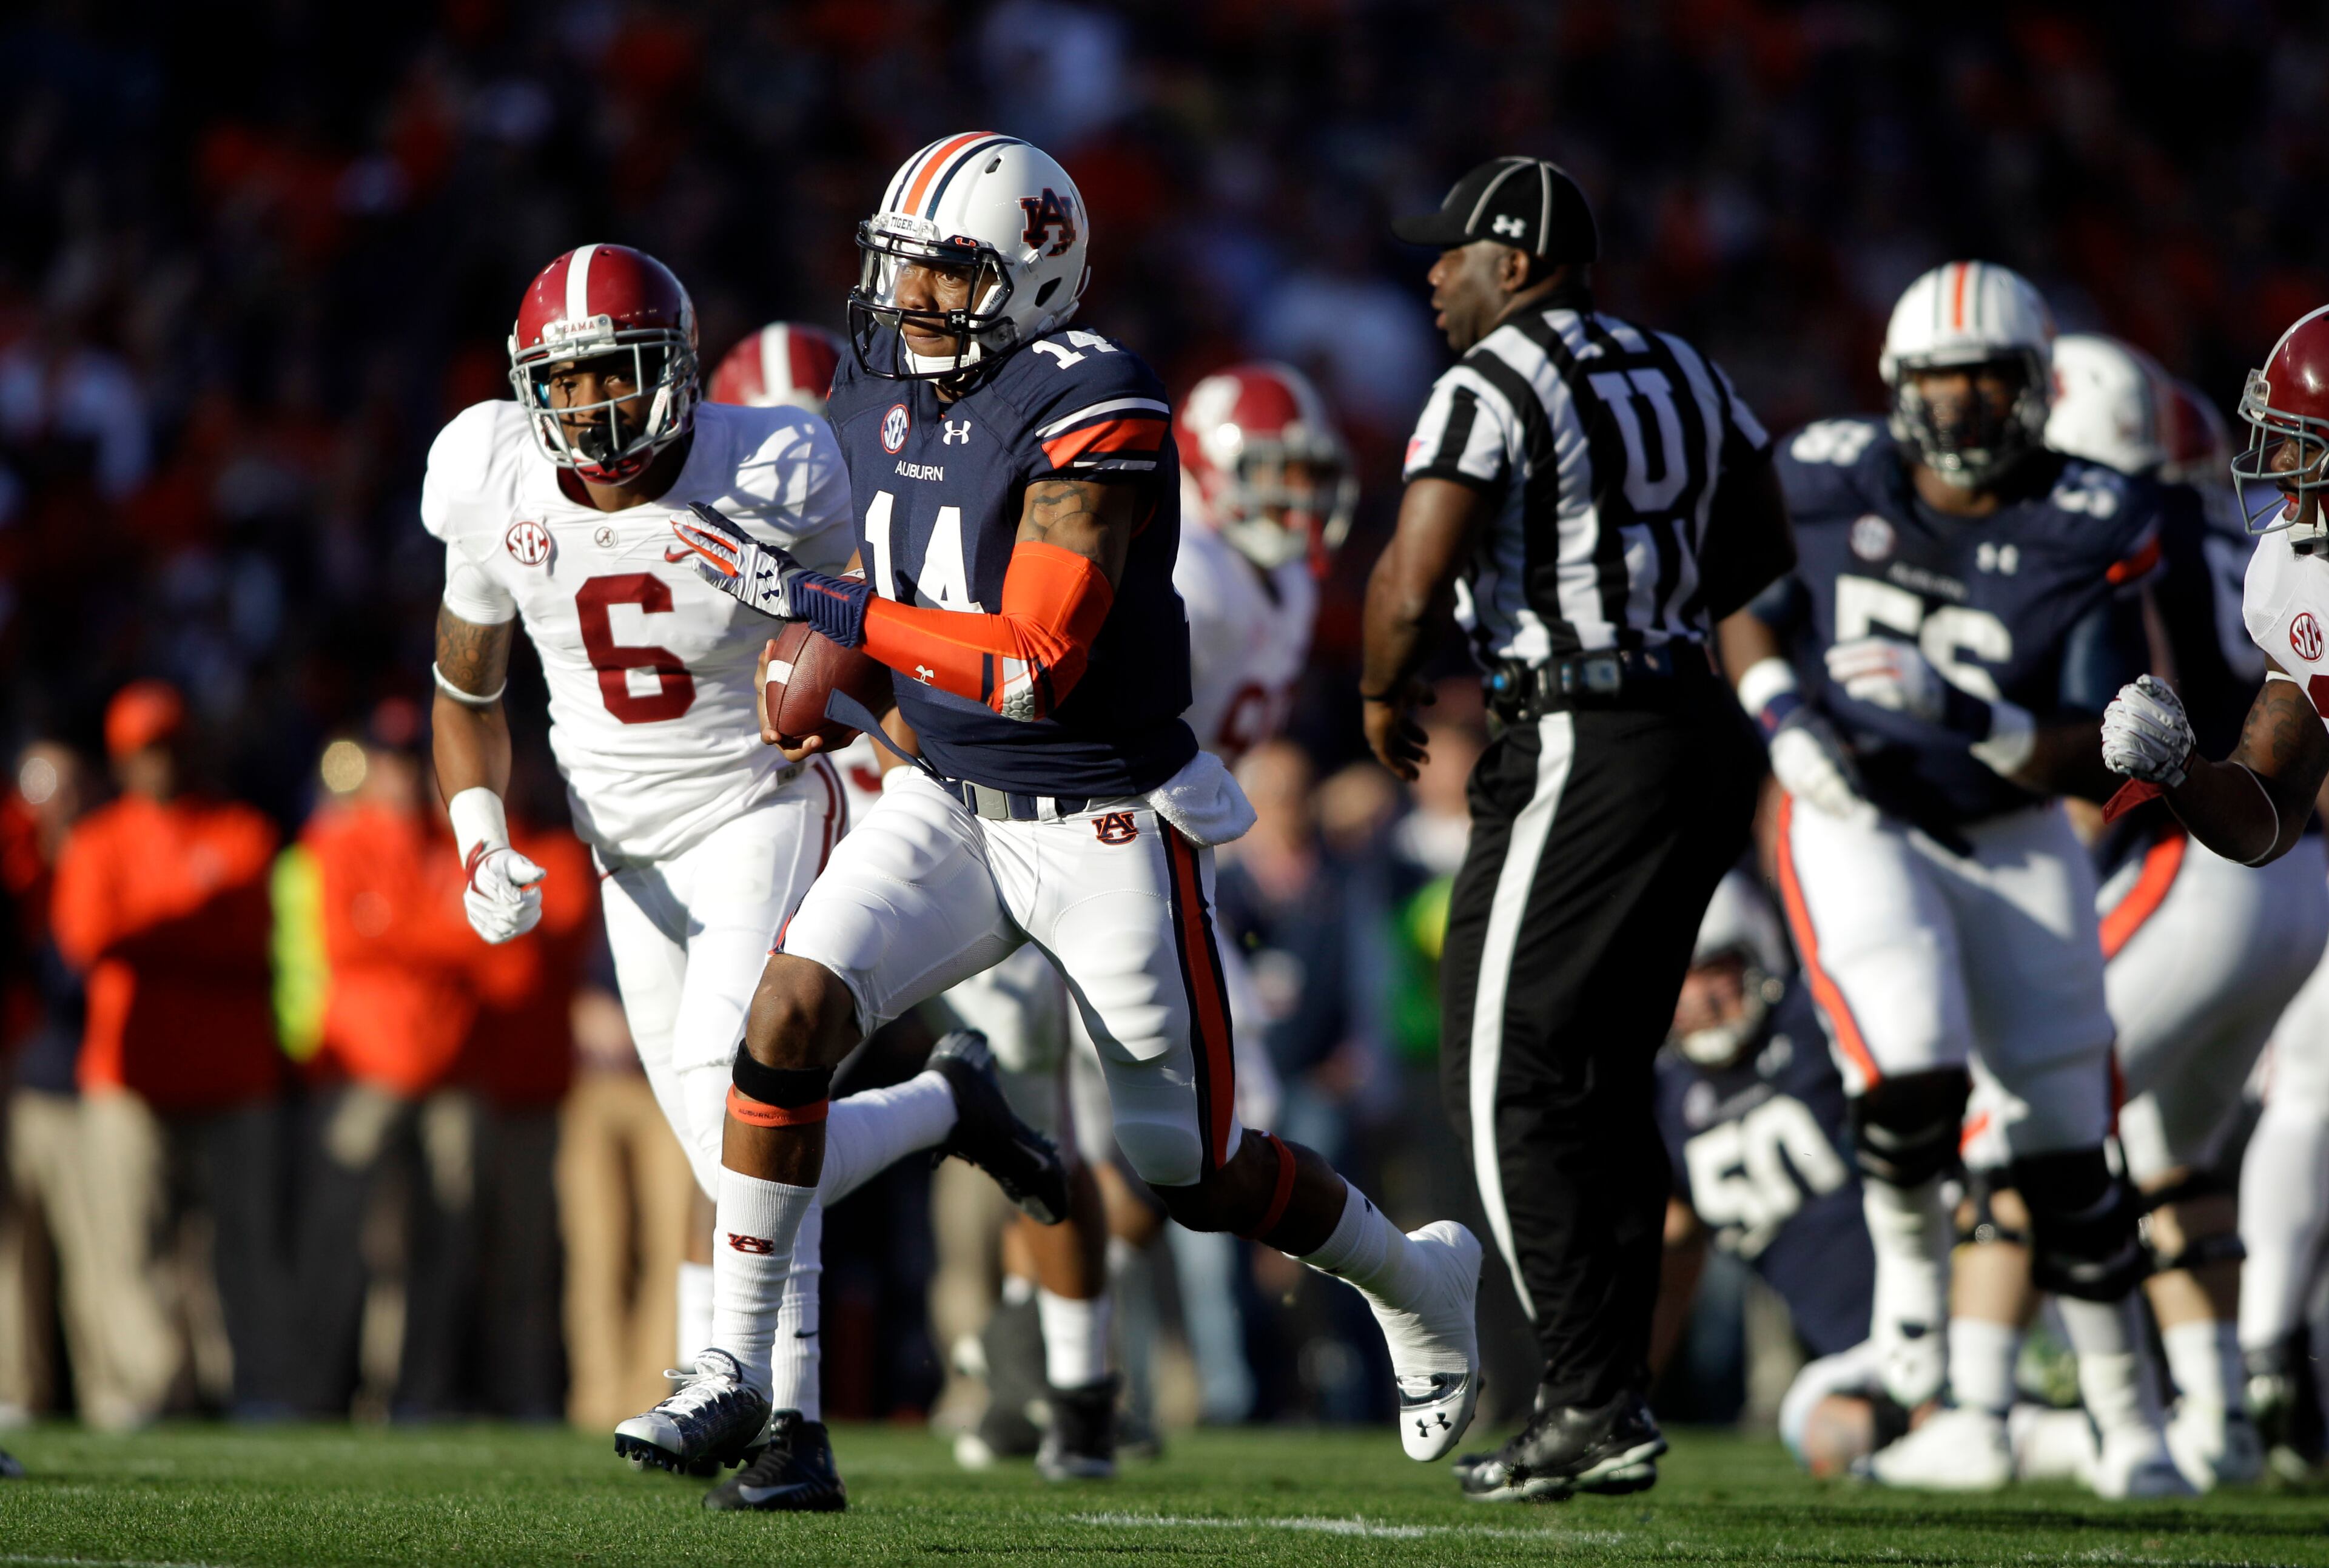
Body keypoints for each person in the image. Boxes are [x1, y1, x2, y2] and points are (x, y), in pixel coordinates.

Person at [665, 132, 1482, 1509]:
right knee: (788, 1016)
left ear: (1033, 279)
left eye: (948, 275)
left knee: (1192, 1170)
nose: (910, 301)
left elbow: (1031, 656)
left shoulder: (1095, 401)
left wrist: (829, 618)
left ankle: (1416, 1278)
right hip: (944, 796)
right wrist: (836, 680)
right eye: (902, 270)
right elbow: (899, 592)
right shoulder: (880, 389)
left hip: (1099, 816)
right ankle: (733, 1370)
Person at [419, 248, 1070, 1504]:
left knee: (745, 1113)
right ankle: (949, 1109)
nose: (597, 407)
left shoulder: (772, 463)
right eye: (571, 379)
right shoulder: (488, 466)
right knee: (744, 1167)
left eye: (622, 373)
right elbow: (466, 688)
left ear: (678, 369)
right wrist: (480, 830)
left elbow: (880, 625)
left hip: (759, 803)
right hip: (626, 851)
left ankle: (780, 1417)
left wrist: (840, 685)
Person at [1362, 156, 1789, 1499]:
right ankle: (1605, 1393)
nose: (1433, 275)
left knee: (1508, 1071)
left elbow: (1414, 570)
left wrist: (1383, 685)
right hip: (1694, 728)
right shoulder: (1686, 368)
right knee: (1597, 1074)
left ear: (1521, 261)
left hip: (1583, 730)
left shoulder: (1489, 383)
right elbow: (1759, 547)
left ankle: (1591, 1392)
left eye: (1455, 254)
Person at [1729, 261, 2176, 1495]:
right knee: (1910, 1050)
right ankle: (1914, 1318)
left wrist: (1970, 711)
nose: (1969, 402)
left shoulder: (2092, 516)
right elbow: (1744, 603)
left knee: (2068, 1136)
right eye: (1944, 376)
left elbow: (2112, 742)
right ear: (1898, 386)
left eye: (1992, 376)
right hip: (1861, 808)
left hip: (2016, 819)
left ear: (2038, 387)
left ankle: (2134, 1424)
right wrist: (1782, 715)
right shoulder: (1828, 473)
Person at [943, 360, 1346, 1475]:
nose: (1294, 500)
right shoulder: (1201, 577)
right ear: (1208, 474)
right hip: (1098, 846)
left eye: (1307, 475)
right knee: (1137, 1140)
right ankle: (1040, 1361)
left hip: (1173, 866)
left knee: (1171, 1148)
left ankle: (1026, 1357)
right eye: (1269, 474)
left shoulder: (1289, 587)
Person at [2041, 337, 2321, 1489]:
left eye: (2310, 447)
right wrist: (2182, 770)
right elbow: (2266, 809)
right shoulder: (2299, 571)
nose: (2286, 473)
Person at [49, 681, 288, 1419]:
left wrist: (152, 932)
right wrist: (190, 929)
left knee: (241, 1249)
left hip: (230, 1074)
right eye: (144, 750)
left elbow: (248, 936)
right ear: (122, 758)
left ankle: (250, 1388)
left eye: (169, 745)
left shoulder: (241, 830)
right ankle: (140, 1392)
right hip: (131, 1075)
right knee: (126, 1247)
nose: (159, 762)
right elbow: (85, 939)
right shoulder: (98, 841)